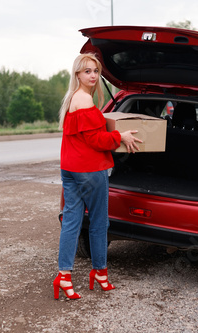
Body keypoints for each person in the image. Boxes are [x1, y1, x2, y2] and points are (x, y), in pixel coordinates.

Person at [53, 53, 142, 300]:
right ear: (77, 74)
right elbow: (95, 140)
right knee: (99, 223)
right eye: (87, 71)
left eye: (95, 71)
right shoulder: (84, 100)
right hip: (90, 171)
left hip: (70, 169)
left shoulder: (73, 98)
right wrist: (119, 137)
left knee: (71, 222)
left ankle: (64, 277)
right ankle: (100, 273)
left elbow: (83, 134)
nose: (92, 76)